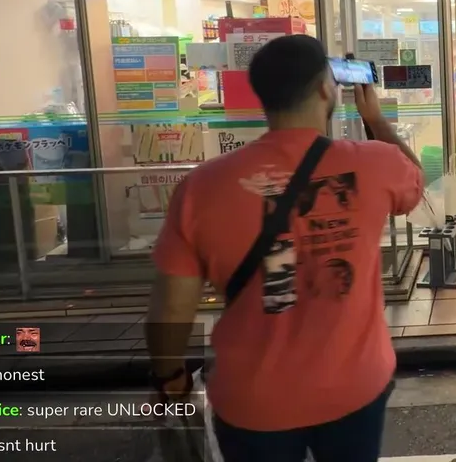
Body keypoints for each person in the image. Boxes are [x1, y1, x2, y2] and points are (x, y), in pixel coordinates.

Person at [146, 34, 425, 462]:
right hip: (353, 385)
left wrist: (171, 379)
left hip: (252, 399)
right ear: (326, 89)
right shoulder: (375, 163)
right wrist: (375, 118)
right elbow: (415, 182)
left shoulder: (201, 187)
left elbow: (170, 309)